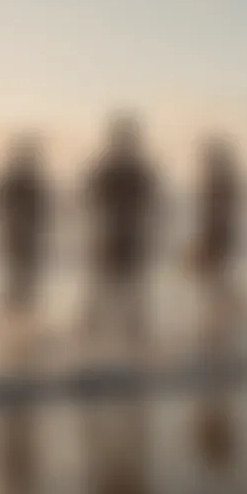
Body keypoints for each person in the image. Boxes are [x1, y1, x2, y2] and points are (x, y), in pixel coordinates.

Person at [83, 114, 158, 347]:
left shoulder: (127, 169)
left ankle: (124, 337)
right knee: (108, 290)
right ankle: (103, 336)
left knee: (123, 291)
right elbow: (91, 196)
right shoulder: (117, 169)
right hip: (116, 235)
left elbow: (150, 202)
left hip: (123, 236)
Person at [0, 135, 49, 331]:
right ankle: (17, 312)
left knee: (23, 273)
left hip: (23, 233)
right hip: (19, 232)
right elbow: (2, 204)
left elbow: (41, 208)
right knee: (19, 273)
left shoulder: (25, 181)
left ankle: (21, 312)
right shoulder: (19, 181)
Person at [190, 136, 240, 342]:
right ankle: (220, 314)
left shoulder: (219, 182)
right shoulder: (217, 181)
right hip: (217, 232)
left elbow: (220, 210)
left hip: (218, 233)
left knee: (215, 276)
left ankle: (221, 316)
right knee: (214, 277)